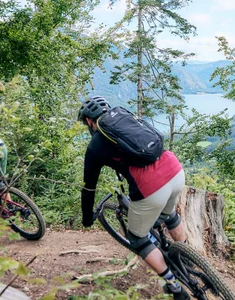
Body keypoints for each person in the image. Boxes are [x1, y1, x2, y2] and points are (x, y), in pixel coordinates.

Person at [77, 96, 190, 299]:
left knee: (137, 239)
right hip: (174, 170)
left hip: (151, 186)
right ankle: (187, 259)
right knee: (170, 215)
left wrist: (87, 218)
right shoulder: (124, 117)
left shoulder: (95, 145)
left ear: (88, 121)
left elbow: (89, 188)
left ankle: (175, 287)